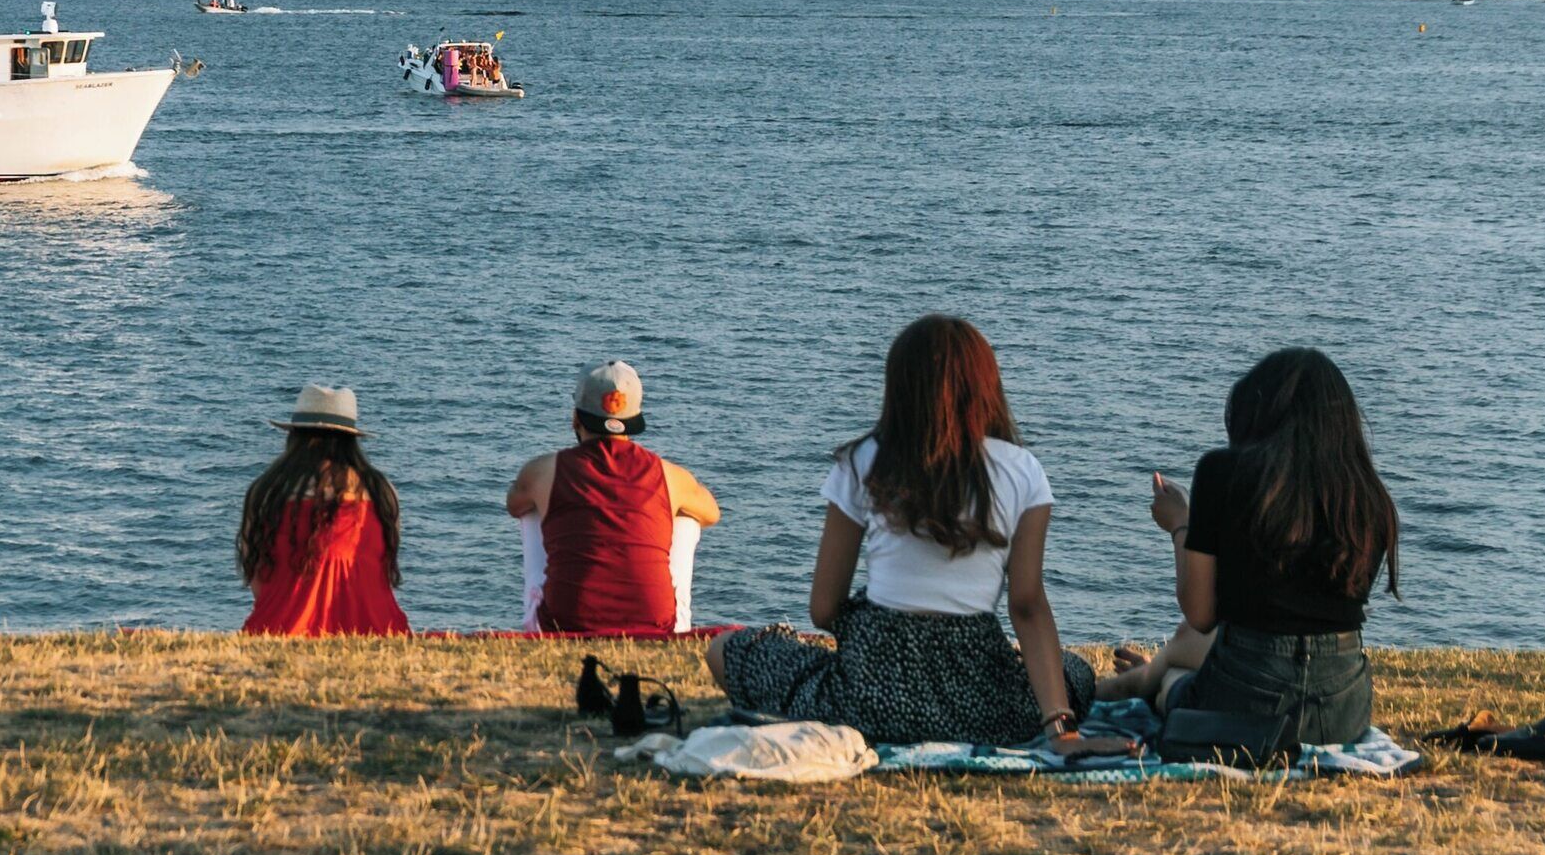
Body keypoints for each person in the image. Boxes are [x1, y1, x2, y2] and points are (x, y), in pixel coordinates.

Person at [708, 317, 1117, 753]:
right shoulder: (1023, 470)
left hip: (871, 701)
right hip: (984, 708)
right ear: (985, 387)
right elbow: (1027, 607)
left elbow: (824, 609)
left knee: (725, 650)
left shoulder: (862, 460)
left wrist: (877, 633)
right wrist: (1061, 729)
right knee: (1076, 672)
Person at [1093, 348, 1399, 749]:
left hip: (1244, 702)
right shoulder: (1368, 497)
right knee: (1200, 649)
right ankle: (1150, 674)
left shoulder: (1223, 473)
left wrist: (1179, 524)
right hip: (1343, 712)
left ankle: (1142, 681)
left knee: (1173, 682)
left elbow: (1200, 614)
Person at [505, 361, 722, 634]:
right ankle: (674, 623)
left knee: (533, 509)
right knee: (685, 517)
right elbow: (712, 512)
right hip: (654, 625)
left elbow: (513, 503)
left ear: (576, 418)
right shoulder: (669, 474)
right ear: (635, 420)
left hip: (563, 624)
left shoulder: (543, 470)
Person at [237, 385, 411, 637]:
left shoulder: (266, 491)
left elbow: (255, 574)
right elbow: (384, 568)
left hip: (282, 624)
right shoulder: (380, 491)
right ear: (351, 440)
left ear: (294, 436)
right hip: (374, 626)